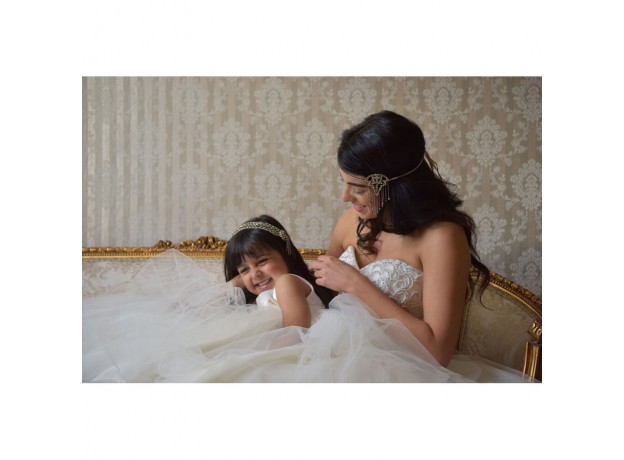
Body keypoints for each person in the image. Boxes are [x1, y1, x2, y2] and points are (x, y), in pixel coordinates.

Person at [308, 110, 528, 380]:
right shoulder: (351, 221)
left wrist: (356, 285)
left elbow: (437, 351)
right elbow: (319, 294)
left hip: (405, 373)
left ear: (392, 185)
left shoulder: (442, 237)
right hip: (331, 358)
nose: (345, 197)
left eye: (358, 188)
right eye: (343, 183)